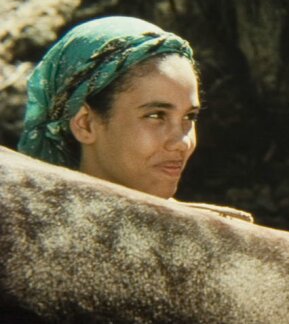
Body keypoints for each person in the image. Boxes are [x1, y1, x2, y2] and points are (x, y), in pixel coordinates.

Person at [18, 16, 252, 221]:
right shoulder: (27, 236)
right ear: (85, 124)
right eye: (156, 115)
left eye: (189, 116)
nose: (183, 143)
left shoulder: (220, 240)